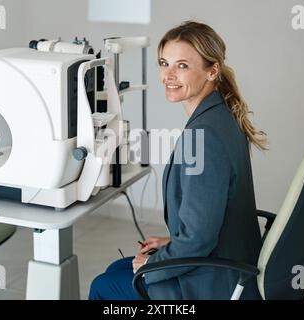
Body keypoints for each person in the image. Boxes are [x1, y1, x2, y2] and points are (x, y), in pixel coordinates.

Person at [89, 21, 267, 300]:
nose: (168, 75)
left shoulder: (205, 135)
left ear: (212, 71)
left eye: (182, 65)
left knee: (103, 287)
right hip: (225, 260)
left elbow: (198, 239)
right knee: (116, 270)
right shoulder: (219, 115)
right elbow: (208, 220)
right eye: (164, 63)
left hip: (216, 283)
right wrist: (171, 243)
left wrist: (155, 264)